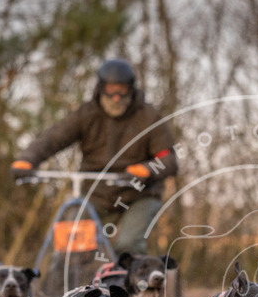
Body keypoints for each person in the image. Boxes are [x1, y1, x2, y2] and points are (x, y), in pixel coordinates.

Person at [10, 58, 178, 256]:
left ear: (131, 89)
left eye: (122, 90)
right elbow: (53, 138)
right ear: (100, 89)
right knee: (73, 246)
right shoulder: (86, 114)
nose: (116, 97)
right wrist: (28, 159)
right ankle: (77, 284)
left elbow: (168, 161)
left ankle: (134, 282)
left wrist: (146, 170)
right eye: (111, 89)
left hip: (139, 194)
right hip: (96, 195)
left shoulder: (148, 117)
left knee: (128, 246)